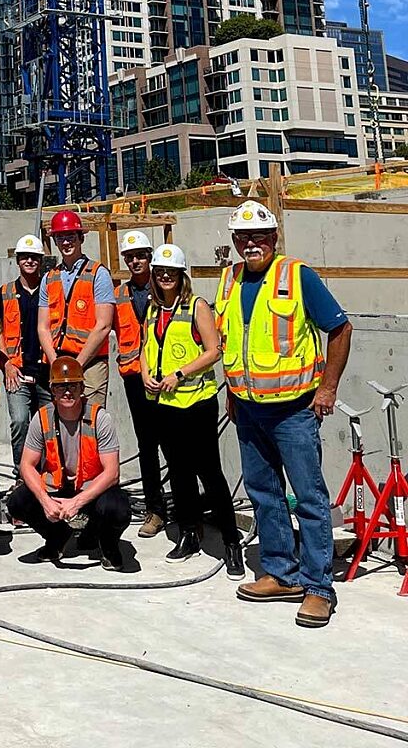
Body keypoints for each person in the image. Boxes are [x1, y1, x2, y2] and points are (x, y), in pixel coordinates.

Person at [217, 201, 352, 628]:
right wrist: (235, 395)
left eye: (259, 236)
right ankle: (280, 572)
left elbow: (341, 328)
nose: (251, 243)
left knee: (310, 500)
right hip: (249, 411)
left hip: (294, 411)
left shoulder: (297, 276)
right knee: (263, 494)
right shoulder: (230, 280)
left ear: (273, 238)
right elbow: (232, 343)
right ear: (236, 242)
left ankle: (318, 588)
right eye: (243, 237)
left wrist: (327, 387)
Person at [141, 244, 244, 579]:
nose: (165, 276)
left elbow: (215, 351)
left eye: (170, 272)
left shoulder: (196, 306)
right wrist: (145, 374)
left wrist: (179, 374)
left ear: (181, 274)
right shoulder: (154, 309)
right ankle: (188, 532)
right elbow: (146, 348)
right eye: (160, 272)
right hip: (166, 406)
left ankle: (231, 542)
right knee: (180, 475)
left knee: (210, 474)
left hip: (196, 405)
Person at [7, 355, 130, 570]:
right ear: (52, 390)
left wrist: (77, 502)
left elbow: (112, 473)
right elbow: (27, 465)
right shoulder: (42, 417)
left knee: (117, 508)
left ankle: (107, 546)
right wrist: (46, 501)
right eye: (61, 387)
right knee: (17, 501)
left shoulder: (100, 418)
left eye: (72, 386)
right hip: (57, 489)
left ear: (82, 388)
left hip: (91, 491)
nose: (67, 392)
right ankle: (57, 537)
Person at [113, 230, 168, 538]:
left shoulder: (164, 287)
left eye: (140, 256)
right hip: (134, 377)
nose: (135, 261)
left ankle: (186, 509)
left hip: (164, 376)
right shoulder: (120, 293)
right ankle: (155, 510)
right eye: (130, 257)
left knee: (173, 444)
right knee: (147, 446)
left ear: (150, 257)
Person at [37, 210, 115, 410]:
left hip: (90, 363)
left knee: (91, 421)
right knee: (61, 425)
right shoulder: (49, 278)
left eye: (71, 236)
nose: (66, 242)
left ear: (81, 237)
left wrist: (77, 364)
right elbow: (43, 327)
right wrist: (56, 363)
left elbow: (104, 325)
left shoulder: (98, 274)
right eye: (60, 237)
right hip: (59, 361)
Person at [0, 234, 51, 477]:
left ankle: (49, 475)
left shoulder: (50, 289)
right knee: (20, 422)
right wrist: (6, 363)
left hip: (47, 372)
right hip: (16, 370)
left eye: (34, 257)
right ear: (17, 261)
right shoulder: (5, 292)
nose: (30, 261)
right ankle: (23, 476)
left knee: (49, 427)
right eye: (25, 257)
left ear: (40, 260)